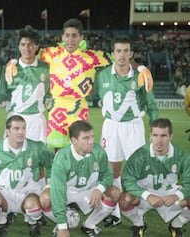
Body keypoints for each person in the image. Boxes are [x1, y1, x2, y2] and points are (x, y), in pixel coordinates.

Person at [37, 18, 153, 151]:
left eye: (74, 35)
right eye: (67, 35)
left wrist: (140, 68)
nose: (70, 39)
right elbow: (28, 55)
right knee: (58, 149)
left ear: (81, 37)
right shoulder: (50, 53)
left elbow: (120, 58)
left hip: (79, 107)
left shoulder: (92, 57)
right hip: (57, 106)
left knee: (80, 148)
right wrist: (13, 62)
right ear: (63, 37)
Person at [92, 35, 159, 226]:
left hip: (133, 127)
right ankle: (115, 213)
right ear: (112, 54)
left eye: (126, 51)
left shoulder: (141, 76)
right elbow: (97, 94)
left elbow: (151, 103)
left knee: (136, 171)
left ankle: (136, 208)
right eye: (118, 51)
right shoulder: (102, 75)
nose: (122, 55)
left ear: (131, 53)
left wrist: (155, 127)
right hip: (111, 127)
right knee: (112, 170)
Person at [39, 120, 120, 237]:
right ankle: (62, 221)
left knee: (114, 192)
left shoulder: (98, 152)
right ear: (74, 141)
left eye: (92, 137)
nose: (91, 141)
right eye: (86, 138)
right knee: (45, 199)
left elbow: (108, 174)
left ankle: (89, 225)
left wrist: (99, 189)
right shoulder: (62, 158)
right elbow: (58, 192)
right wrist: (62, 227)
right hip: (66, 191)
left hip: (88, 189)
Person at [0, 115, 53, 237]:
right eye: (16, 128)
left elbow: (53, 165)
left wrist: (49, 184)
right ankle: (2, 221)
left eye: (23, 128)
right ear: (7, 131)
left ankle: (32, 222)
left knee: (34, 207)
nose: (21, 132)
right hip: (4, 193)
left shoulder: (37, 147)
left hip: (28, 192)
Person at [120, 118, 190, 237]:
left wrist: (177, 195)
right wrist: (147, 195)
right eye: (155, 135)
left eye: (163, 135)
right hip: (145, 195)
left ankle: (176, 225)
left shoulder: (181, 155)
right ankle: (139, 223)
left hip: (170, 194)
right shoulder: (140, 155)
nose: (159, 140)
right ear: (150, 136)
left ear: (171, 136)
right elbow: (127, 180)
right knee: (124, 199)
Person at [0, 25, 50, 143]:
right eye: (23, 44)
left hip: (37, 119)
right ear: (19, 47)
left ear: (36, 46)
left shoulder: (46, 68)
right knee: (11, 156)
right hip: (14, 118)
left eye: (30, 44)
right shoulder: (11, 68)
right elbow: (1, 93)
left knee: (37, 158)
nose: (27, 48)